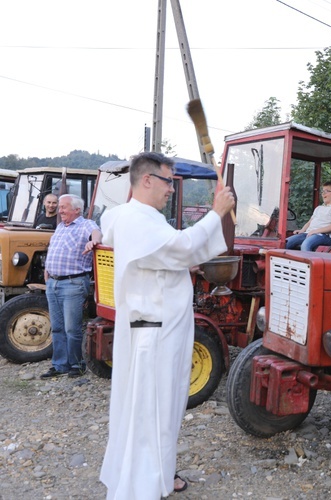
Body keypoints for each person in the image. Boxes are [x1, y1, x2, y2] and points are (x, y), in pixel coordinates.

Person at [99, 152, 235, 499]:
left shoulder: (127, 216)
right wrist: (216, 212)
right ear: (146, 180)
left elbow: (167, 251)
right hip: (155, 334)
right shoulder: (140, 222)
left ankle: (154, 471)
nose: (172, 190)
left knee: (148, 408)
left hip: (149, 328)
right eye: (168, 182)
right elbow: (184, 247)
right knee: (154, 409)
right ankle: (145, 481)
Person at [40, 194, 101, 379]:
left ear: (76, 210)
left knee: (71, 328)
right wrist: (47, 270)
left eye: (63, 207)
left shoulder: (86, 224)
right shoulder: (60, 226)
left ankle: (76, 364)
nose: (59, 210)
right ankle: (59, 365)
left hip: (72, 283)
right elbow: (53, 249)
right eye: (59, 207)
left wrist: (94, 241)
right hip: (53, 282)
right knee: (57, 328)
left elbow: (97, 233)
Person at [285, 181, 331, 251]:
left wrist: (315, 231)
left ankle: (306, 261)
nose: (323, 193)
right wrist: (302, 230)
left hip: (323, 235)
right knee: (286, 242)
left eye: (326, 191)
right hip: (308, 233)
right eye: (322, 191)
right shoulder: (319, 208)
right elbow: (309, 222)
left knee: (306, 244)